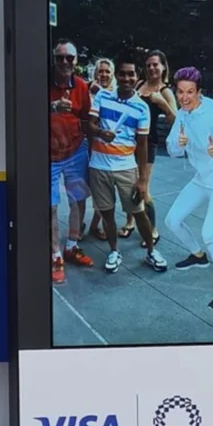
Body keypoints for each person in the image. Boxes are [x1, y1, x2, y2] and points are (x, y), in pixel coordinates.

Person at [165, 67, 213, 311]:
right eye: (180, 92)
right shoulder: (182, 114)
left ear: (199, 92)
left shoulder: (212, 114)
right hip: (202, 177)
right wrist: (178, 144)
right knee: (172, 220)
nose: (184, 97)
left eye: (190, 92)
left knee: (210, 234)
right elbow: (172, 149)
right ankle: (198, 256)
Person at [88, 55, 168, 275]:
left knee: (138, 212)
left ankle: (151, 251)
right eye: (122, 73)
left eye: (130, 74)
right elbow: (90, 125)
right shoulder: (102, 97)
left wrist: (142, 180)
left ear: (136, 77)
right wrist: (100, 132)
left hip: (126, 168)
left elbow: (142, 145)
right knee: (107, 213)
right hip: (99, 166)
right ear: (117, 75)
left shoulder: (141, 108)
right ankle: (114, 251)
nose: (126, 77)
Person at [119, 49, 177, 245]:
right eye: (149, 64)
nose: (152, 68)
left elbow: (176, 121)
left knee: (143, 188)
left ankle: (152, 229)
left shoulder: (165, 91)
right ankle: (130, 222)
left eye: (156, 64)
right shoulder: (139, 84)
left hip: (148, 143)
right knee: (128, 184)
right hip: (128, 140)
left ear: (163, 67)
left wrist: (163, 104)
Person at [50, 39, 94, 285]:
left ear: (76, 61)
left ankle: (72, 246)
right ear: (54, 60)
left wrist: (94, 148)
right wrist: (52, 107)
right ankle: (55, 255)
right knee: (52, 207)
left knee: (78, 200)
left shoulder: (81, 86)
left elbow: (87, 119)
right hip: (49, 155)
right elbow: (27, 112)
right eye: (60, 58)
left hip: (76, 152)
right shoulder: (41, 83)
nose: (65, 62)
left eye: (70, 58)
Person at [88, 58, 116, 242]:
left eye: (107, 71)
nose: (104, 74)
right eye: (101, 71)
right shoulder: (87, 91)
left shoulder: (115, 93)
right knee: (87, 189)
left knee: (104, 190)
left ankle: (94, 224)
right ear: (95, 73)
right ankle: (86, 223)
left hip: (111, 149)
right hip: (89, 144)